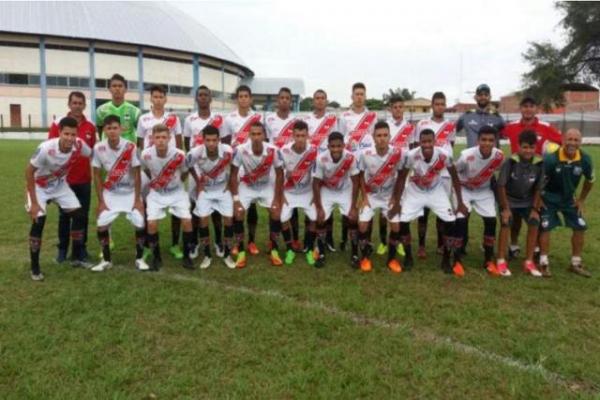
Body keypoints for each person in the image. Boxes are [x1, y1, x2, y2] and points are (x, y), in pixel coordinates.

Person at [390, 128, 467, 276]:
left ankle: (446, 259)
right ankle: (408, 257)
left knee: (450, 221)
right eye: (423, 141)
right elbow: (401, 178)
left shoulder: (444, 155)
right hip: (415, 191)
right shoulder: (411, 155)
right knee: (403, 221)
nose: (426, 144)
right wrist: (398, 202)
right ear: (419, 142)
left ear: (435, 141)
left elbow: (455, 178)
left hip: (436, 190)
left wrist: (460, 202)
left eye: (429, 141)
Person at [26, 117, 93, 281]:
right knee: (39, 221)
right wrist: (34, 204)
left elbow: (92, 154)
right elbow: (28, 172)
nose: (69, 138)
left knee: (79, 216)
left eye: (73, 134)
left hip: (59, 186)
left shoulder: (78, 145)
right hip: (39, 186)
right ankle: (35, 268)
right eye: (66, 134)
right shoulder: (46, 148)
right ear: (59, 132)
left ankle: (76, 257)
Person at [501, 96, 562, 260]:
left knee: (536, 214)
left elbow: (560, 143)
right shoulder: (511, 126)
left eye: (531, 106)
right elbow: (496, 133)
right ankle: (513, 245)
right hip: (515, 176)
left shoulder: (545, 127)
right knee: (515, 216)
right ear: (520, 108)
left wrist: (550, 156)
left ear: (537, 109)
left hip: (535, 178)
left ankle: (535, 248)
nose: (528, 109)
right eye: (525, 106)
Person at [90, 115, 148, 272]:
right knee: (102, 224)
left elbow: (137, 174)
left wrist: (137, 200)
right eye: (108, 128)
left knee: (139, 222)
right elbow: (96, 175)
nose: (112, 131)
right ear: (104, 131)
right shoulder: (98, 148)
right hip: (111, 192)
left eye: (115, 128)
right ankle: (106, 260)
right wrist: (101, 201)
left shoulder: (130, 146)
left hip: (130, 192)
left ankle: (139, 258)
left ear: (121, 128)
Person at [136, 84, 185, 260]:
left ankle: (175, 244)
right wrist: (146, 168)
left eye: (161, 96)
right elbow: (139, 144)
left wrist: (177, 166)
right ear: (151, 98)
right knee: (149, 206)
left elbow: (179, 144)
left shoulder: (173, 119)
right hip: (151, 168)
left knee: (177, 208)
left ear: (165, 99)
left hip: (171, 168)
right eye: (155, 96)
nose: (158, 100)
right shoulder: (143, 119)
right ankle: (150, 244)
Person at [47, 91, 96, 263]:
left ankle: (81, 249)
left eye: (80, 103)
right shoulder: (58, 124)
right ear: (69, 104)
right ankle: (62, 249)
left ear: (84, 105)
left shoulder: (90, 127)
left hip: (84, 179)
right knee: (64, 216)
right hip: (64, 181)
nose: (77, 105)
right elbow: (51, 150)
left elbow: (92, 153)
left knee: (83, 215)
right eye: (74, 102)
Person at [539, 128, 594, 277]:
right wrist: (537, 201)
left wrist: (581, 200)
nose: (572, 143)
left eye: (576, 140)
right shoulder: (551, 159)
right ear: (563, 140)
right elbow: (540, 183)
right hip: (548, 198)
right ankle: (544, 263)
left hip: (569, 199)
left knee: (580, 226)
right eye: (570, 139)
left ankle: (575, 263)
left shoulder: (585, 159)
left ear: (580, 142)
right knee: (545, 227)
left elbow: (590, 181)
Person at [229, 121, 284, 268]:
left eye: (259, 134)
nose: (256, 137)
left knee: (276, 212)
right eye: (253, 134)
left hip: (266, 186)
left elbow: (280, 174)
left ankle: (274, 250)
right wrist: (235, 200)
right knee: (239, 213)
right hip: (247, 186)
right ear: (249, 135)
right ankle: (240, 252)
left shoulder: (273, 150)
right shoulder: (240, 150)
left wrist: (277, 199)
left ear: (264, 135)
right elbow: (233, 174)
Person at [140, 124, 195, 270]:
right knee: (151, 224)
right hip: (156, 193)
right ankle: (156, 257)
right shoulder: (146, 154)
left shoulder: (179, 154)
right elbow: (145, 170)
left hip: (177, 192)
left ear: (169, 138)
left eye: (164, 137)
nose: (160, 140)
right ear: (152, 138)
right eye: (157, 137)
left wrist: (175, 184)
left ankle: (187, 256)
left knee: (187, 221)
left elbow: (184, 172)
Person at [453, 126, 504, 274]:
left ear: (495, 142)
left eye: (490, 140)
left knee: (491, 221)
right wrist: (459, 200)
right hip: (464, 189)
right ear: (478, 140)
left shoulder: (499, 156)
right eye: (484, 140)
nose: (487, 143)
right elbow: (455, 174)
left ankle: (488, 260)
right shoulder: (466, 155)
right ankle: (457, 259)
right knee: (461, 220)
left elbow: (499, 174)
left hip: (483, 191)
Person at [183, 85, 225, 258]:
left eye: (206, 95)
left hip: (215, 168)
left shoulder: (219, 119)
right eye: (199, 95)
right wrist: (195, 169)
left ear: (210, 98)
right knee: (195, 206)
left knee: (215, 207)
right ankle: (194, 242)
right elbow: (187, 144)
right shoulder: (189, 120)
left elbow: (224, 143)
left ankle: (218, 241)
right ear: (196, 98)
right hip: (197, 170)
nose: (202, 98)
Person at [357, 121, 405, 273]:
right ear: (373, 137)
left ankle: (392, 259)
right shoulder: (365, 154)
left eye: (385, 135)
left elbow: (401, 177)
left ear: (390, 136)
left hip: (388, 196)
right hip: (371, 195)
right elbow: (359, 175)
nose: (382, 139)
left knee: (396, 226)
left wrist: (395, 198)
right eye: (379, 136)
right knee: (362, 224)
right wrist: (364, 197)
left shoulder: (397, 153)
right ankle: (365, 258)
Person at [186, 125, 236, 270]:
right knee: (203, 220)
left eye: (214, 140)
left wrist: (229, 184)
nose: (211, 143)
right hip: (206, 191)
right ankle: (207, 255)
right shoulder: (195, 152)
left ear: (219, 140)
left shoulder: (228, 151)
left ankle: (227, 254)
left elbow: (235, 167)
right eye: (208, 140)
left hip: (222, 189)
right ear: (203, 140)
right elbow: (188, 165)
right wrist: (198, 181)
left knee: (228, 219)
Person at [495, 130, 544, 277]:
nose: (528, 150)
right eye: (524, 147)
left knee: (535, 221)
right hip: (509, 200)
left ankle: (529, 261)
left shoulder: (540, 164)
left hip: (527, 201)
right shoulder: (510, 162)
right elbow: (501, 186)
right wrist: (505, 208)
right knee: (506, 222)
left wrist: (535, 209)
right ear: (518, 146)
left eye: (531, 147)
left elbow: (539, 188)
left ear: (535, 147)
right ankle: (501, 259)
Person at [414, 92, 456, 259]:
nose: (439, 106)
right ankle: (422, 245)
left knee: (442, 210)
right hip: (426, 172)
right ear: (432, 105)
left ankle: (440, 243)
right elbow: (418, 145)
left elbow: (449, 145)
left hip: (444, 174)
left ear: (445, 105)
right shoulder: (423, 123)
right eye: (437, 104)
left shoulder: (450, 125)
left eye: (442, 104)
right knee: (423, 211)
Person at [222, 85, 262, 256]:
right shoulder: (229, 118)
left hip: (253, 166)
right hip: (236, 166)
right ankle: (238, 242)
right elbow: (224, 142)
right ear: (237, 99)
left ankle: (252, 241)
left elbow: (262, 139)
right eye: (241, 96)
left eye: (246, 96)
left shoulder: (258, 117)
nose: (244, 99)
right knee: (237, 206)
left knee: (252, 206)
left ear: (251, 99)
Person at [337, 82, 377, 251]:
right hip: (350, 167)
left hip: (368, 166)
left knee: (369, 202)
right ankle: (346, 238)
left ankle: (366, 240)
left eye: (362, 94)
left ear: (365, 96)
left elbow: (374, 138)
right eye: (356, 94)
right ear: (352, 96)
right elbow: (340, 140)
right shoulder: (344, 116)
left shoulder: (372, 116)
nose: (359, 97)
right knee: (350, 203)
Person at [313, 132, 360, 268]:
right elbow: (316, 183)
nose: (335, 149)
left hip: (345, 190)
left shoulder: (350, 157)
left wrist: (353, 206)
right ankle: (321, 253)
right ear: (328, 146)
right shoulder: (321, 158)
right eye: (332, 146)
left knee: (352, 218)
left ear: (344, 146)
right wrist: (319, 207)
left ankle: (355, 254)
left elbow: (356, 182)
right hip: (327, 190)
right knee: (320, 218)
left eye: (339, 146)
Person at [265, 87, 303, 251]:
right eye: (282, 98)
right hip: (274, 168)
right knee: (274, 203)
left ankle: (294, 239)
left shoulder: (296, 120)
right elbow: (267, 142)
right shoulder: (269, 120)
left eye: (288, 98)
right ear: (277, 100)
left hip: (292, 168)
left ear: (291, 101)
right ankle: (273, 240)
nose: (284, 100)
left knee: (291, 204)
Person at [279, 120, 319, 266]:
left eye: (303, 135)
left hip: (307, 192)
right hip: (289, 192)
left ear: (308, 135)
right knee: (282, 218)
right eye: (297, 135)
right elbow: (277, 175)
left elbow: (317, 176)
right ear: (292, 136)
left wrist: (315, 197)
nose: (300, 139)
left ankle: (308, 248)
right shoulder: (284, 150)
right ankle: (290, 249)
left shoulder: (313, 150)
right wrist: (281, 196)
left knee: (315, 218)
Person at [304, 89, 338, 251]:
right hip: (310, 166)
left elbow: (338, 140)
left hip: (328, 166)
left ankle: (328, 238)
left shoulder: (333, 120)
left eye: (322, 98)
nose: (319, 101)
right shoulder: (307, 120)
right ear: (313, 101)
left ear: (326, 100)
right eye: (317, 98)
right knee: (310, 203)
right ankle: (308, 239)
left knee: (326, 203)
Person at [455, 84, 505, 148]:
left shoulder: (497, 118)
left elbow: (504, 135)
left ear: (490, 97)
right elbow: (453, 133)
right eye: (480, 95)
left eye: (486, 95)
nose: (483, 97)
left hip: (491, 157)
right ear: (475, 97)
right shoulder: (466, 116)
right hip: (472, 156)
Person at [95, 73, 141, 143]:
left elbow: (141, 133)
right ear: (109, 89)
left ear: (125, 89)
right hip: (108, 150)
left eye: (120, 86)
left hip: (128, 149)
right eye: (114, 86)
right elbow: (100, 128)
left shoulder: (135, 111)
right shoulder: (101, 110)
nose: (117, 88)